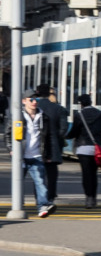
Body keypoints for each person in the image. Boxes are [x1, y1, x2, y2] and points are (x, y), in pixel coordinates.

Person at [20, 87, 64, 217]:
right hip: (21, 156)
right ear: (24, 101)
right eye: (31, 99)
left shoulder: (43, 116)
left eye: (36, 99)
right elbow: (8, 134)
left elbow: (49, 136)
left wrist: (48, 154)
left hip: (37, 156)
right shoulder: (18, 116)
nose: (34, 102)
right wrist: (11, 150)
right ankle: (18, 205)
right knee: (17, 182)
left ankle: (42, 207)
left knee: (40, 182)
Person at [69, 93, 101, 207]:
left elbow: (74, 131)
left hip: (83, 149)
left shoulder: (79, 115)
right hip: (97, 149)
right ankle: (94, 198)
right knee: (94, 174)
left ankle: (88, 198)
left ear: (81, 104)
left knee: (86, 174)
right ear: (90, 102)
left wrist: (64, 137)